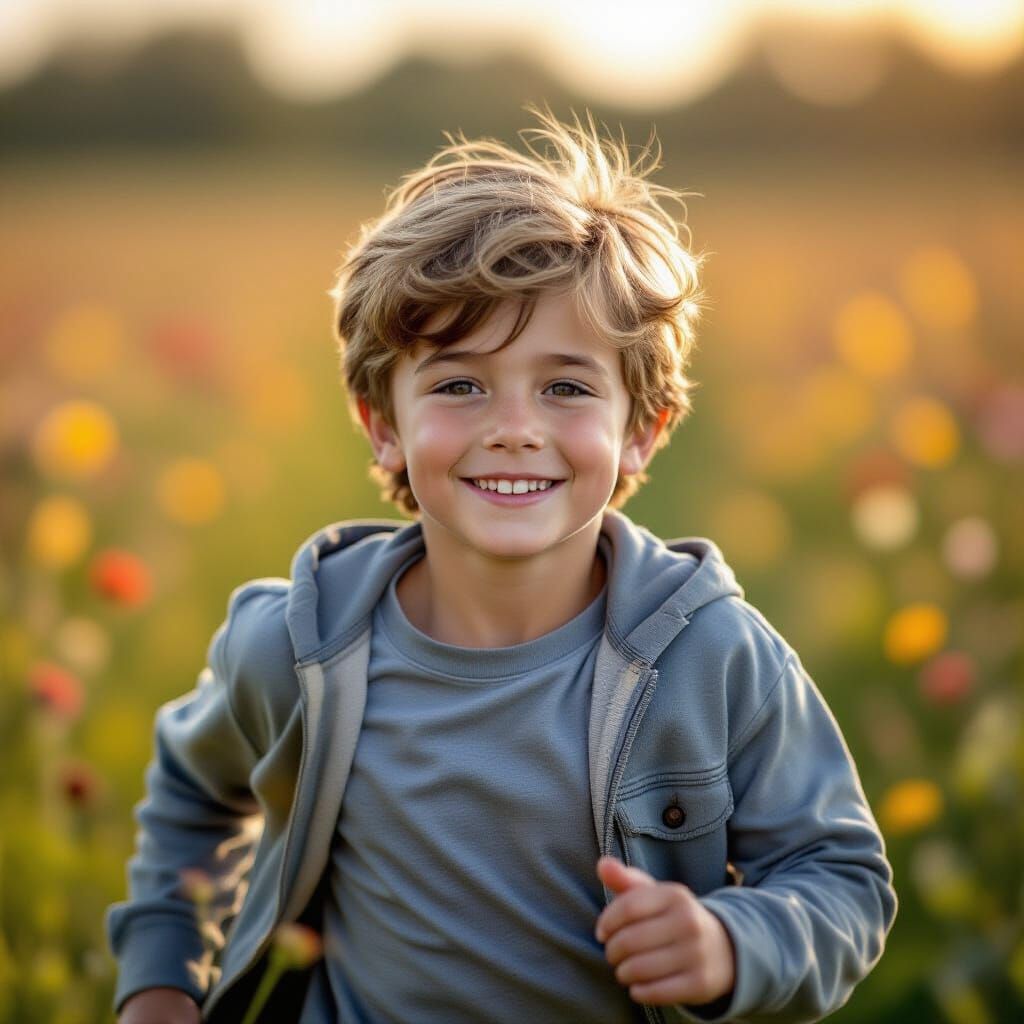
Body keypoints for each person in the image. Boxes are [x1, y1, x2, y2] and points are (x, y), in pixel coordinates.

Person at [107, 107, 897, 1024]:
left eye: (565, 386)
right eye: (459, 384)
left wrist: (730, 944)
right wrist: (160, 986)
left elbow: (842, 878)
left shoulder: (711, 659)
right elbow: (192, 794)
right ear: (384, 426)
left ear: (641, 431)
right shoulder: (296, 648)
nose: (514, 427)